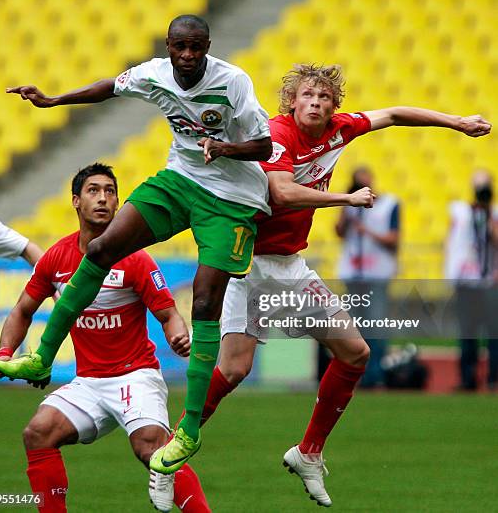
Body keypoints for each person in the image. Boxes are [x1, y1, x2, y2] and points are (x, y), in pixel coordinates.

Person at [197, 63, 491, 507]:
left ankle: (308, 452)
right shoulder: (277, 134)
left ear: (335, 106)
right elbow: (282, 193)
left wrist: (456, 122)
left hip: (292, 268)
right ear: (292, 103)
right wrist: (346, 199)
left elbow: (393, 114)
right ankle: (178, 437)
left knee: (356, 352)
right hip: (248, 265)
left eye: (324, 98)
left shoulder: (341, 129)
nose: (315, 103)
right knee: (234, 370)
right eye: (307, 96)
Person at [0, 14, 273, 473]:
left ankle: (188, 430)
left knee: (205, 300)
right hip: (181, 180)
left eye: (196, 47)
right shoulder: (154, 73)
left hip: (233, 200)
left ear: (208, 46)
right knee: (101, 250)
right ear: (168, 45)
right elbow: (110, 86)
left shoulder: (233, 82)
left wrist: (225, 149)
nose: (187, 56)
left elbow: (264, 146)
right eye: (179, 47)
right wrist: (53, 101)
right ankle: (41, 358)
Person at [0, 163, 210, 513]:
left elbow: (168, 313)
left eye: (110, 191)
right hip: (89, 381)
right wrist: (5, 352)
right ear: (76, 201)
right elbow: (21, 311)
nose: (103, 198)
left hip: (135, 375)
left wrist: (178, 335)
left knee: (152, 449)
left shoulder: (134, 258)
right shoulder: (56, 258)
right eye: (94, 191)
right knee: (38, 432)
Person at [336, 166, 400, 387]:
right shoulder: (350, 206)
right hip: (353, 272)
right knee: (354, 327)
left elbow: (394, 239)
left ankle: (376, 376)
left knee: (376, 324)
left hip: (377, 272)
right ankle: (356, 375)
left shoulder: (389, 204)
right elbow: (339, 232)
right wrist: (346, 204)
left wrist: (367, 231)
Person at [445, 169, 498, 391]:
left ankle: (494, 378)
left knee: (493, 332)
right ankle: (468, 379)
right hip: (466, 280)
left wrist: (489, 218)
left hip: (489, 281)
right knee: (467, 332)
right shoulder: (461, 211)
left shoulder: (494, 214)